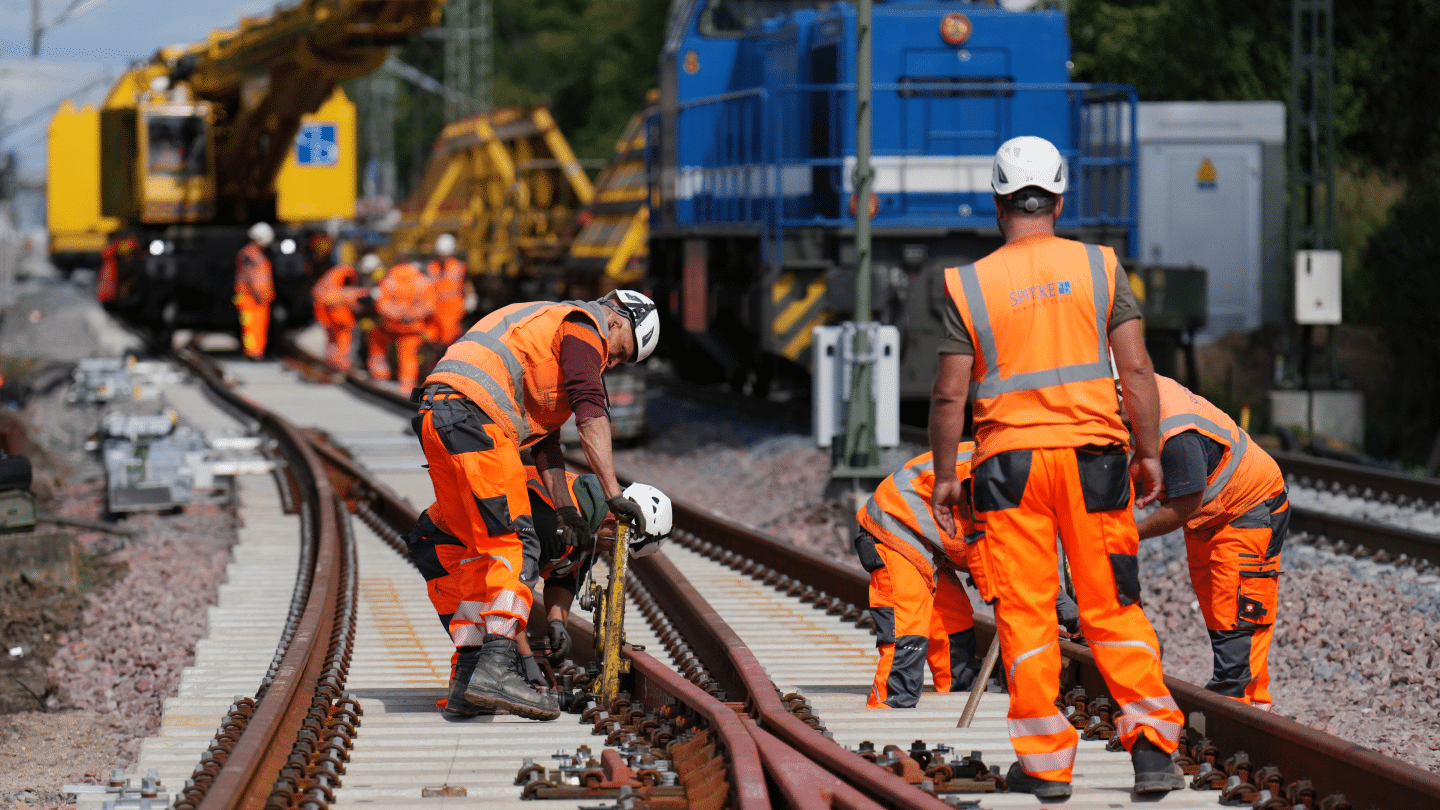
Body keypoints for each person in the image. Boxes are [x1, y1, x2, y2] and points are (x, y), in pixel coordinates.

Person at [928, 135, 1184, 798]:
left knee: (1028, 613)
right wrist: (1150, 450)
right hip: (1095, 463)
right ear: (1060, 201)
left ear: (998, 204)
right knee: (1112, 606)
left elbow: (951, 392)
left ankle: (1045, 767)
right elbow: (1135, 367)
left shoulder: (969, 283)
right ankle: (1153, 749)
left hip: (1008, 469)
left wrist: (947, 475)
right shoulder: (1101, 268)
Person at [404, 290, 664, 720]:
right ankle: (495, 668)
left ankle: (468, 677)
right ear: (618, 322)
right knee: (514, 544)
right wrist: (613, 490)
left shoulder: (541, 330)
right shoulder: (584, 326)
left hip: (439, 414)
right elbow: (589, 408)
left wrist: (563, 509)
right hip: (476, 420)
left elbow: (545, 441)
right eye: (619, 354)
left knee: (477, 550)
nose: (612, 364)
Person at [1135, 374, 1288, 710]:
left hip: (1247, 507)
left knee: (1235, 607)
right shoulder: (1138, 390)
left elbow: (1184, 506)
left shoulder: (1176, 435)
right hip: (1211, 512)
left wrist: (1131, 535)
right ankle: (1253, 701)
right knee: (1219, 603)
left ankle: (1234, 700)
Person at [854, 445, 983, 709]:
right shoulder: (998, 468)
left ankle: (956, 701)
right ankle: (890, 711)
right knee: (907, 625)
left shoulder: (1021, 461)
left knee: (953, 625)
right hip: (895, 526)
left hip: (931, 537)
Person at [366, 258, 436, 392]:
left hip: (391, 326)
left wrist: (398, 314)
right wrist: (410, 315)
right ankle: (406, 386)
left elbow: (381, 304)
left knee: (376, 342)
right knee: (409, 357)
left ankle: (380, 375)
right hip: (412, 327)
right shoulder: (424, 282)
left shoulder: (389, 280)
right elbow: (429, 306)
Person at [312, 254, 371, 371]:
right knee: (342, 337)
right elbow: (344, 295)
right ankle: (340, 364)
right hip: (338, 313)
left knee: (332, 339)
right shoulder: (345, 275)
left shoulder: (335, 274)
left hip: (328, 312)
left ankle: (334, 361)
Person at [235, 222, 275, 360]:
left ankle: (257, 352)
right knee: (250, 326)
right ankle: (252, 353)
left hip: (260, 297)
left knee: (259, 326)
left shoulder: (256, 254)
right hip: (249, 297)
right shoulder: (248, 254)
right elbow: (248, 274)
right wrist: (255, 292)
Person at [427, 233, 468, 347]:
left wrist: (470, 297)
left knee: (450, 339)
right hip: (435, 309)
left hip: (453, 309)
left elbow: (466, 282)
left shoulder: (459, 266)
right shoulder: (432, 266)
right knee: (433, 339)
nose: (443, 258)